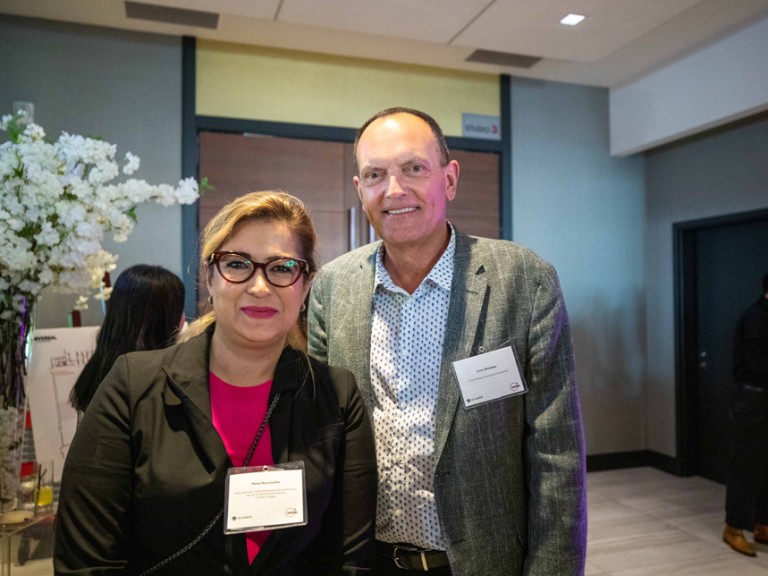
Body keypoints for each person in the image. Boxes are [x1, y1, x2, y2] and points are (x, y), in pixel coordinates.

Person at [307, 107, 587, 575]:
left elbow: (557, 454)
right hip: (364, 560)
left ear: (449, 179)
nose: (395, 190)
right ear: (360, 191)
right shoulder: (332, 287)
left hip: (485, 560)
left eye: (413, 168)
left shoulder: (523, 280)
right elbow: (319, 434)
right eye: (375, 174)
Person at [54, 191, 377, 575]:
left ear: (305, 285)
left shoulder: (337, 397)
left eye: (282, 267)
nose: (259, 286)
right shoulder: (132, 387)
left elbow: (347, 560)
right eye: (237, 264)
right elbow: (87, 563)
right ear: (209, 277)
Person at [69, 264, 186, 414]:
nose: (183, 318)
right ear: (160, 322)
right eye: (178, 310)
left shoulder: (98, 372)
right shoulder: (149, 386)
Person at [723, 273, 768, 557]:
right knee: (746, 464)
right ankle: (734, 527)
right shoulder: (755, 318)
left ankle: (763, 524)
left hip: (761, 396)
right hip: (755, 399)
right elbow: (755, 366)